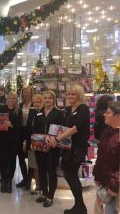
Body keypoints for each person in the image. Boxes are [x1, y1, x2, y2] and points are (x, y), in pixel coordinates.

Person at [48, 84, 90, 214]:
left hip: (77, 147)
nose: (70, 96)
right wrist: (52, 137)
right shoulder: (67, 109)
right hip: (67, 147)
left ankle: (80, 207)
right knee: (69, 174)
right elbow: (62, 127)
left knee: (71, 174)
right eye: (68, 94)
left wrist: (57, 139)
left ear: (79, 95)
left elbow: (76, 128)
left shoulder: (84, 108)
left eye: (73, 94)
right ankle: (79, 206)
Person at [33, 91, 64, 207]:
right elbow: (35, 129)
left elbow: (61, 131)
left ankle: (50, 196)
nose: (47, 100)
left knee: (51, 172)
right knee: (41, 170)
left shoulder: (59, 113)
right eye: (45, 98)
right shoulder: (39, 113)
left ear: (53, 99)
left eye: (49, 98)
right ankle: (44, 193)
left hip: (53, 147)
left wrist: (50, 143)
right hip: (40, 146)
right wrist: (39, 141)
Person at [93, 101, 120, 214]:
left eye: (108, 112)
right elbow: (101, 156)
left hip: (116, 185)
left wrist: (114, 185)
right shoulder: (106, 131)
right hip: (106, 182)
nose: (104, 114)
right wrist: (97, 176)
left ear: (118, 116)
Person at [0, 92, 22, 193]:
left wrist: (11, 124)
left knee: (12, 161)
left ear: (16, 100)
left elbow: (19, 126)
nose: (11, 100)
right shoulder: (2, 109)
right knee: (2, 161)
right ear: (7, 99)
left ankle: (9, 181)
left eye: (13, 98)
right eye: (10, 98)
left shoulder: (18, 111)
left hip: (14, 140)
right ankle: (3, 180)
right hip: (3, 139)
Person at [16, 86, 33, 190]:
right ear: (22, 93)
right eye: (25, 92)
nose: (27, 94)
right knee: (21, 157)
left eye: (29, 92)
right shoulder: (20, 105)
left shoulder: (34, 104)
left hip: (30, 132)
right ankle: (25, 178)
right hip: (20, 132)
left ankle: (29, 180)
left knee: (31, 157)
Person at [28, 94, 43, 195]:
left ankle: (44, 186)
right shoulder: (32, 112)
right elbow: (28, 128)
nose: (36, 104)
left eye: (39, 102)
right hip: (33, 142)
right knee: (35, 166)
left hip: (43, 143)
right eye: (34, 102)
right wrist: (27, 141)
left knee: (42, 166)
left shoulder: (45, 113)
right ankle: (38, 186)